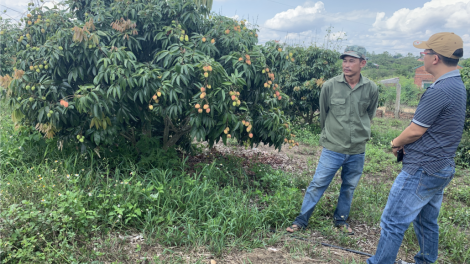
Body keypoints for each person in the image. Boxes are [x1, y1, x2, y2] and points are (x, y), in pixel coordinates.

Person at [367, 32, 466, 264]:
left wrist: (395, 143)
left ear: (435, 58)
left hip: (422, 168)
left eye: (425, 52)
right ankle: (425, 261)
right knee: (426, 221)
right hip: (441, 166)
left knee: (393, 221)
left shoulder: (438, 90)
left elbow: (415, 131)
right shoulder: (456, 84)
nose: (422, 56)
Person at [286, 45, 379, 234]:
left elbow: (369, 115)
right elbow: (323, 114)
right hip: (333, 147)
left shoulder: (371, 88)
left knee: (349, 186)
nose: (346, 64)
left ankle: (341, 221)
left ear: (363, 63)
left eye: (352, 60)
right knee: (318, 183)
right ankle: (301, 220)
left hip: (357, 149)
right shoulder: (330, 85)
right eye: (345, 60)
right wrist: (330, 135)